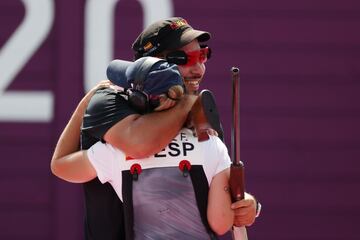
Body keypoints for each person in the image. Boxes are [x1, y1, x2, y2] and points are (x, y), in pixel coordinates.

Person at [51, 17, 259, 240]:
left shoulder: (200, 115)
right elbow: (140, 146)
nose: (199, 69)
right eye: (183, 58)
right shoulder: (109, 100)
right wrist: (186, 104)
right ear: (152, 64)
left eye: (203, 55)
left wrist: (247, 204)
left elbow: (210, 195)